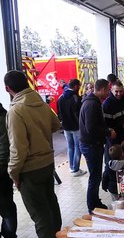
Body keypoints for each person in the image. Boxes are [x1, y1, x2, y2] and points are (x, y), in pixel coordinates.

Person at [4, 70, 62, 238]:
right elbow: (56, 124)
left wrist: (13, 172)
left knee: (40, 216)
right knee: (51, 206)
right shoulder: (41, 103)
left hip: (29, 170)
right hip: (47, 164)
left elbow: (18, 149)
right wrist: (40, 132)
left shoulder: (16, 111)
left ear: (8, 88)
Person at [79, 79, 116, 213]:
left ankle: (95, 200)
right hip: (91, 145)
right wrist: (108, 133)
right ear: (101, 89)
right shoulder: (91, 104)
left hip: (94, 144)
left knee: (96, 176)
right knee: (94, 177)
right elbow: (91, 128)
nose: (108, 93)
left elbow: (97, 124)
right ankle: (92, 206)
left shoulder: (94, 102)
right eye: (107, 90)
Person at [57, 78, 87, 177]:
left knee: (70, 147)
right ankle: (76, 169)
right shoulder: (76, 98)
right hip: (76, 127)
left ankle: (71, 167)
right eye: (79, 86)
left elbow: (59, 113)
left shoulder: (61, 97)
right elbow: (79, 114)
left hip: (65, 127)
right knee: (77, 147)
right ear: (75, 86)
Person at [0, 102, 17, 238]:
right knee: (7, 206)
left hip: (1, 171)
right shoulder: (5, 115)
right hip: (3, 169)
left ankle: (9, 234)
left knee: (6, 207)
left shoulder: (4, 117)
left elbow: (5, 147)